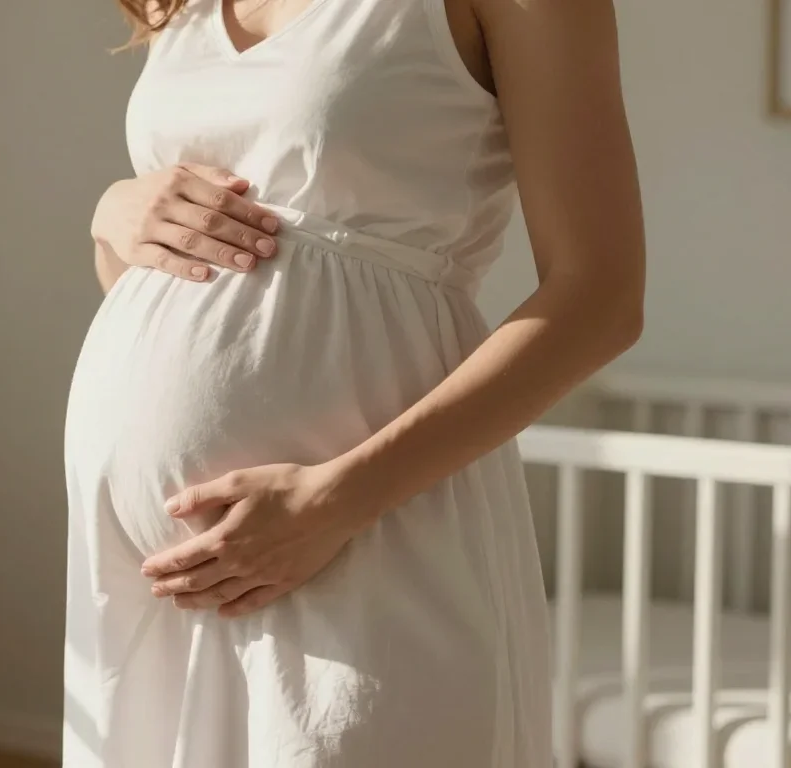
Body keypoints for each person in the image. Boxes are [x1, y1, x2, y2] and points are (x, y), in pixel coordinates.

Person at [63, 0, 644, 765]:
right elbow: (172, 288)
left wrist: (334, 501)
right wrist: (112, 219)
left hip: (364, 525)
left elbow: (600, 299)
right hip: (148, 578)